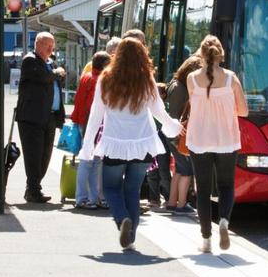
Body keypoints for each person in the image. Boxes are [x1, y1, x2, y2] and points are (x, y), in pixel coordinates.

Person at [78, 38, 181, 250]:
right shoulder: (146, 80)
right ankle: (131, 239)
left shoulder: (106, 79)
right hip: (142, 143)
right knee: (132, 190)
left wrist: (87, 146)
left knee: (111, 187)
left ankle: (122, 219)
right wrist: (174, 127)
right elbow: (159, 112)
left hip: (115, 142)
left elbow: (95, 116)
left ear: (117, 55)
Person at [185, 35, 248, 253]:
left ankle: (206, 240)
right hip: (226, 140)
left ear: (201, 54)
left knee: (202, 190)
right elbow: (244, 111)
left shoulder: (192, 79)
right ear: (220, 53)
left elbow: (194, 104)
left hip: (199, 139)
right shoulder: (231, 79)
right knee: (226, 185)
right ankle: (223, 221)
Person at [17, 32, 66, 203]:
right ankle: (33, 190)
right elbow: (44, 77)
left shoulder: (50, 63)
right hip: (32, 117)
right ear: (38, 44)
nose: (51, 48)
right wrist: (57, 73)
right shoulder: (30, 60)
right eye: (47, 45)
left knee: (45, 156)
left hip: (49, 117)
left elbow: (55, 86)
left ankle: (33, 188)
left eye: (53, 45)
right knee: (33, 155)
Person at [69, 50, 110, 209]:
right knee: (93, 162)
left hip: (82, 122)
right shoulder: (100, 80)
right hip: (93, 124)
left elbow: (79, 101)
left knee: (89, 160)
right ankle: (87, 197)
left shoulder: (86, 77)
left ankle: (89, 197)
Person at [164, 53, 201, 213]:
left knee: (179, 169)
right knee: (186, 170)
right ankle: (181, 204)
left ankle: (172, 202)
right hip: (176, 134)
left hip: (171, 133)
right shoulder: (181, 88)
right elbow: (175, 113)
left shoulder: (175, 83)